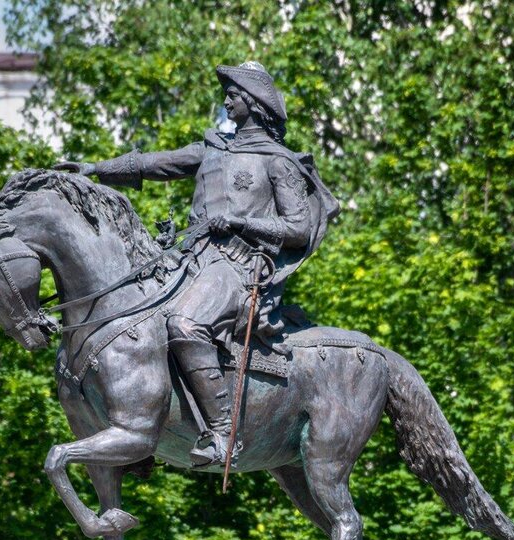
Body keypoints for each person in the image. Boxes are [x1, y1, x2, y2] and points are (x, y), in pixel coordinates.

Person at [54, 61, 339, 466]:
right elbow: (153, 164)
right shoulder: (213, 150)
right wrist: (96, 170)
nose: (227, 101)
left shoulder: (278, 162)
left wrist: (241, 222)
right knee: (133, 320)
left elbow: (298, 226)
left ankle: (222, 432)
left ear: (254, 104)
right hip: (192, 259)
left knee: (185, 324)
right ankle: (137, 431)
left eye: (234, 95)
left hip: (238, 266)